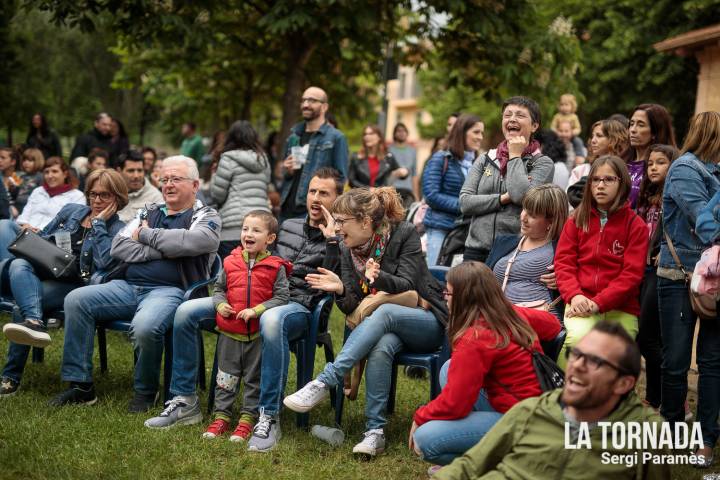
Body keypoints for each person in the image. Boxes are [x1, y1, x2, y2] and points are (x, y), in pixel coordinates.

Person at [143, 168, 343, 454]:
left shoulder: (340, 236)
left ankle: (268, 415)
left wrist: (333, 240)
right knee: (186, 311)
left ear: (337, 199)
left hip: (297, 307)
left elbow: (336, 279)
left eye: (324, 193)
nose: (316, 198)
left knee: (272, 320)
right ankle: (185, 401)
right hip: (247, 299)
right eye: (312, 191)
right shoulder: (287, 226)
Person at [283, 187, 448, 458]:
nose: (336, 227)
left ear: (365, 222)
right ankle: (375, 433)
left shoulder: (403, 233)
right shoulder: (348, 247)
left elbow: (408, 284)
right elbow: (350, 305)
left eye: (341, 221)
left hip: (425, 320)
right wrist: (339, 290)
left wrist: (377, 277)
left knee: (383, 313)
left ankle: (325, 381)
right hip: (383, 328)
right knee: (381, 345)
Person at [49, 155, 221, 412]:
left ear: (195, 185)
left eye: (176, 179)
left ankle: (146, 391)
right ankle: (81, 386)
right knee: (77, 299)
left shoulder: (205, 214)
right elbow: (118, 246)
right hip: (127, 287)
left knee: (144, 327)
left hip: (171, 291)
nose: (168, 185)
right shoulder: (149, 211)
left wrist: (145, 235)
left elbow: (197, 241)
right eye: (164, 179)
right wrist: (166, 249)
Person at [432, 321, 672, 480]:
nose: (577, 365)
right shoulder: (532, 411)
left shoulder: (645, 433)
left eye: (595, 361)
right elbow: (469, 467)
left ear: (624, 383)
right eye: (576, 354)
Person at [409, 262, 561, 467]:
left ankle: (500, 463)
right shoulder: (509, 314)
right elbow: (553, 326)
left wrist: (420, 417)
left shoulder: (475, 337)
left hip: (525, 424)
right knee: (448, 368)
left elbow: (455, 405)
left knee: (426, 439)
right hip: (537, 410)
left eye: (449, 293)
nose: (445, 297)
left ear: (464, 299)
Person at [0, 169, 128, 397]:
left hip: (75, 285)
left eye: (104, 195)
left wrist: (99, 224)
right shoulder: (72, 211)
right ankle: (34, 321)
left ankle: (10, 376)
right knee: (20, 264)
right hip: (46, 270)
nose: (96, 200)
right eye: (93, 194)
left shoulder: (119, 229)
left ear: (117, 198)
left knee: (22, 304)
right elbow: (44, 238)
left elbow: (105, 263)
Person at [659, 111, 720, 466]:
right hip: (680, 275)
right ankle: (672, 433)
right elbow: (706, 222)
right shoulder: (685, 169)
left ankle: (706, 438)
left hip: (713, 279)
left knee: (712, 363)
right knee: (677, 362)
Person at [201, 211, 290, 441]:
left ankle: (247, 419)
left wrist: (256, 310)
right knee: (226, 377)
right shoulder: (230, 262)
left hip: (257, 336)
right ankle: (221, 417)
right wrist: (220, 305)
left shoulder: (275, 267)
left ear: (270, 239)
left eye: (256, 230)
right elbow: (219, 289)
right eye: (245, 229)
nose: (248, 234)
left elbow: (282, 297)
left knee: (254, 379)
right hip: (230, 332)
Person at [554, 155, 648, 368]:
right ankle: (561, 397)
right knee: (578, 342)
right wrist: (575, 296)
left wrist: (599, 303)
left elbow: (631, 275)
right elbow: (564, 263)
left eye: (608, 180)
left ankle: (610, 401)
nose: (600, 185)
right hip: (580, 302)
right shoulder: (577, 219)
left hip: (622, 308)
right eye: (595, 180)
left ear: (622, 183)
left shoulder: (636, 225)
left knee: (619, 356)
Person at [459, 96, 554, 263]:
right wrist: (503, 198)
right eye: (507, 115)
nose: (512, 119)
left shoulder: (542, 163)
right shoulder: (485, 159)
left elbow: (521, 196)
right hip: (475, 249)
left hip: (514, 250)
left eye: (520, 115)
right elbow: (465, 203)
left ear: (534, 126)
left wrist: (515, 156)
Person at [635, 144, 679, 411]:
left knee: (647, 337)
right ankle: (655, 398)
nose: (653, 167)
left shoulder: (673, 197)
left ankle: (676, 397)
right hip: (642, 268)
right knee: (650, 336)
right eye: (650, 163)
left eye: (660, 163)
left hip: (660, 270)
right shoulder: (646, 197)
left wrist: (663, 249)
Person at [486, 185, 568, 320]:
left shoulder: (565, 248)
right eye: (524, 209)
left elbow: (588, 279)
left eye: (532, 215)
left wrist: (566, 278)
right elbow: (481, 280)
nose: (523, 217)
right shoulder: (503, 242)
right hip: (498, 318)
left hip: (536, 323)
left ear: (552, 220)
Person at [278, 86, 349, 221]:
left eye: (311, 101)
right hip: (286, 208)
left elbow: (341, 179)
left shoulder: (336, 138)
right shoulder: (294, 135)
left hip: (312, 212)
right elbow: (284, 174)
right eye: (303, 100)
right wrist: (287, 169)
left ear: (324, 107)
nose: (305, 104)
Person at [422, 114, 484, 266]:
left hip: (466, 231)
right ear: (462, 132)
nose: (480, 137)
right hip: (440, 228)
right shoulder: (441, 158)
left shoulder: (478, 163)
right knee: (434, 276)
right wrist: (465, 205)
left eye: (482, 133)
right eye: (476, 132)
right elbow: (431, 195)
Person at [0, 157, 85, 263]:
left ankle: (7, 266)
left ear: (65, 173)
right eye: (46, 172)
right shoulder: (38, 191)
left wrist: (43, 232)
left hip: (48, 239)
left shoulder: (77, 196)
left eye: (54, 171)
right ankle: (6, 265)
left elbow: (72, 228)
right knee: (3, 224)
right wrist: (24, 225)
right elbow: (23, 217)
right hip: (25, 233)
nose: (50, 176)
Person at [210, 121, 271, 259]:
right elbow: (265, 186)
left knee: (233, 274)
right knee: (259, 274)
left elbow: (218, 195)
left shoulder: (227, 159)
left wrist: (214, 174)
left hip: (234, 227)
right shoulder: (263, 160)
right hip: (262, 225)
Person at [623, 104, 676, 207]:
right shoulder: (621, 162)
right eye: (631, 124)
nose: (633, 130)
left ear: (655, 132)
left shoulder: (663, 167)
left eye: (641, 125)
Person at [567, 118, 629, 197]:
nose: (593, 140)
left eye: (599, 136)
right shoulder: (580, 171)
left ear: (614, 139)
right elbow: (568, 202)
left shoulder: (627, 171)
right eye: (592, 136)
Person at [348, 125, 406, 189]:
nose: (367, 136)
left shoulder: (388, 157)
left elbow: (401, 173)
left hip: (381, 196)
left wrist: (404, 171)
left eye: (371, 134)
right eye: (365, 134)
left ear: (379, 137)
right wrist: (368, 189)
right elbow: (351, 181)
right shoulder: (356, 157)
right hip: (361, 197)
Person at [116, 150, 164, 223]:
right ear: (119, 171)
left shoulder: (156, 198)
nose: (136, 176)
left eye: (140, 170)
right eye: (131, 171)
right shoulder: (111, 192)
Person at [388, 123, 418, 207]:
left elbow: (414, 174)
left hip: (408, 191)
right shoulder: (388, 150)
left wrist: (416, 195)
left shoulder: (413, 151)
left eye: (404, 131)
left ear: (407, 133)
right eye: (399, 131)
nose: (402, 133)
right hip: (392, 190)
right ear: (394, 134)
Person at [12, 147, 45, 217]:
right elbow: (13, 194)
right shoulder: (19, 176)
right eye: (24, 160)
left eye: (30, 160)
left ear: (38, 161)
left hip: (30, 208)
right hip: (15, 206)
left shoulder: (40, 177)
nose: (26, 163)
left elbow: (41, 197)